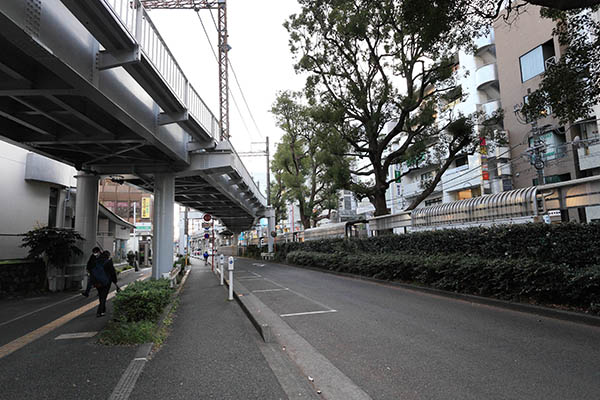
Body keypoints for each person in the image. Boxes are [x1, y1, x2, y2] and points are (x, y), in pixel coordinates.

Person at [91, 251, 119, 317]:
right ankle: (100, 311)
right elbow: (112, 272)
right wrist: (115, 281)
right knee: (104, 296)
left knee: (101, 296)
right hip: (106, 281)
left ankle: (103, 310)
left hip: (97, 281)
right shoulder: (108, 262)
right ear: (108, 255)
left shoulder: (96, 261)